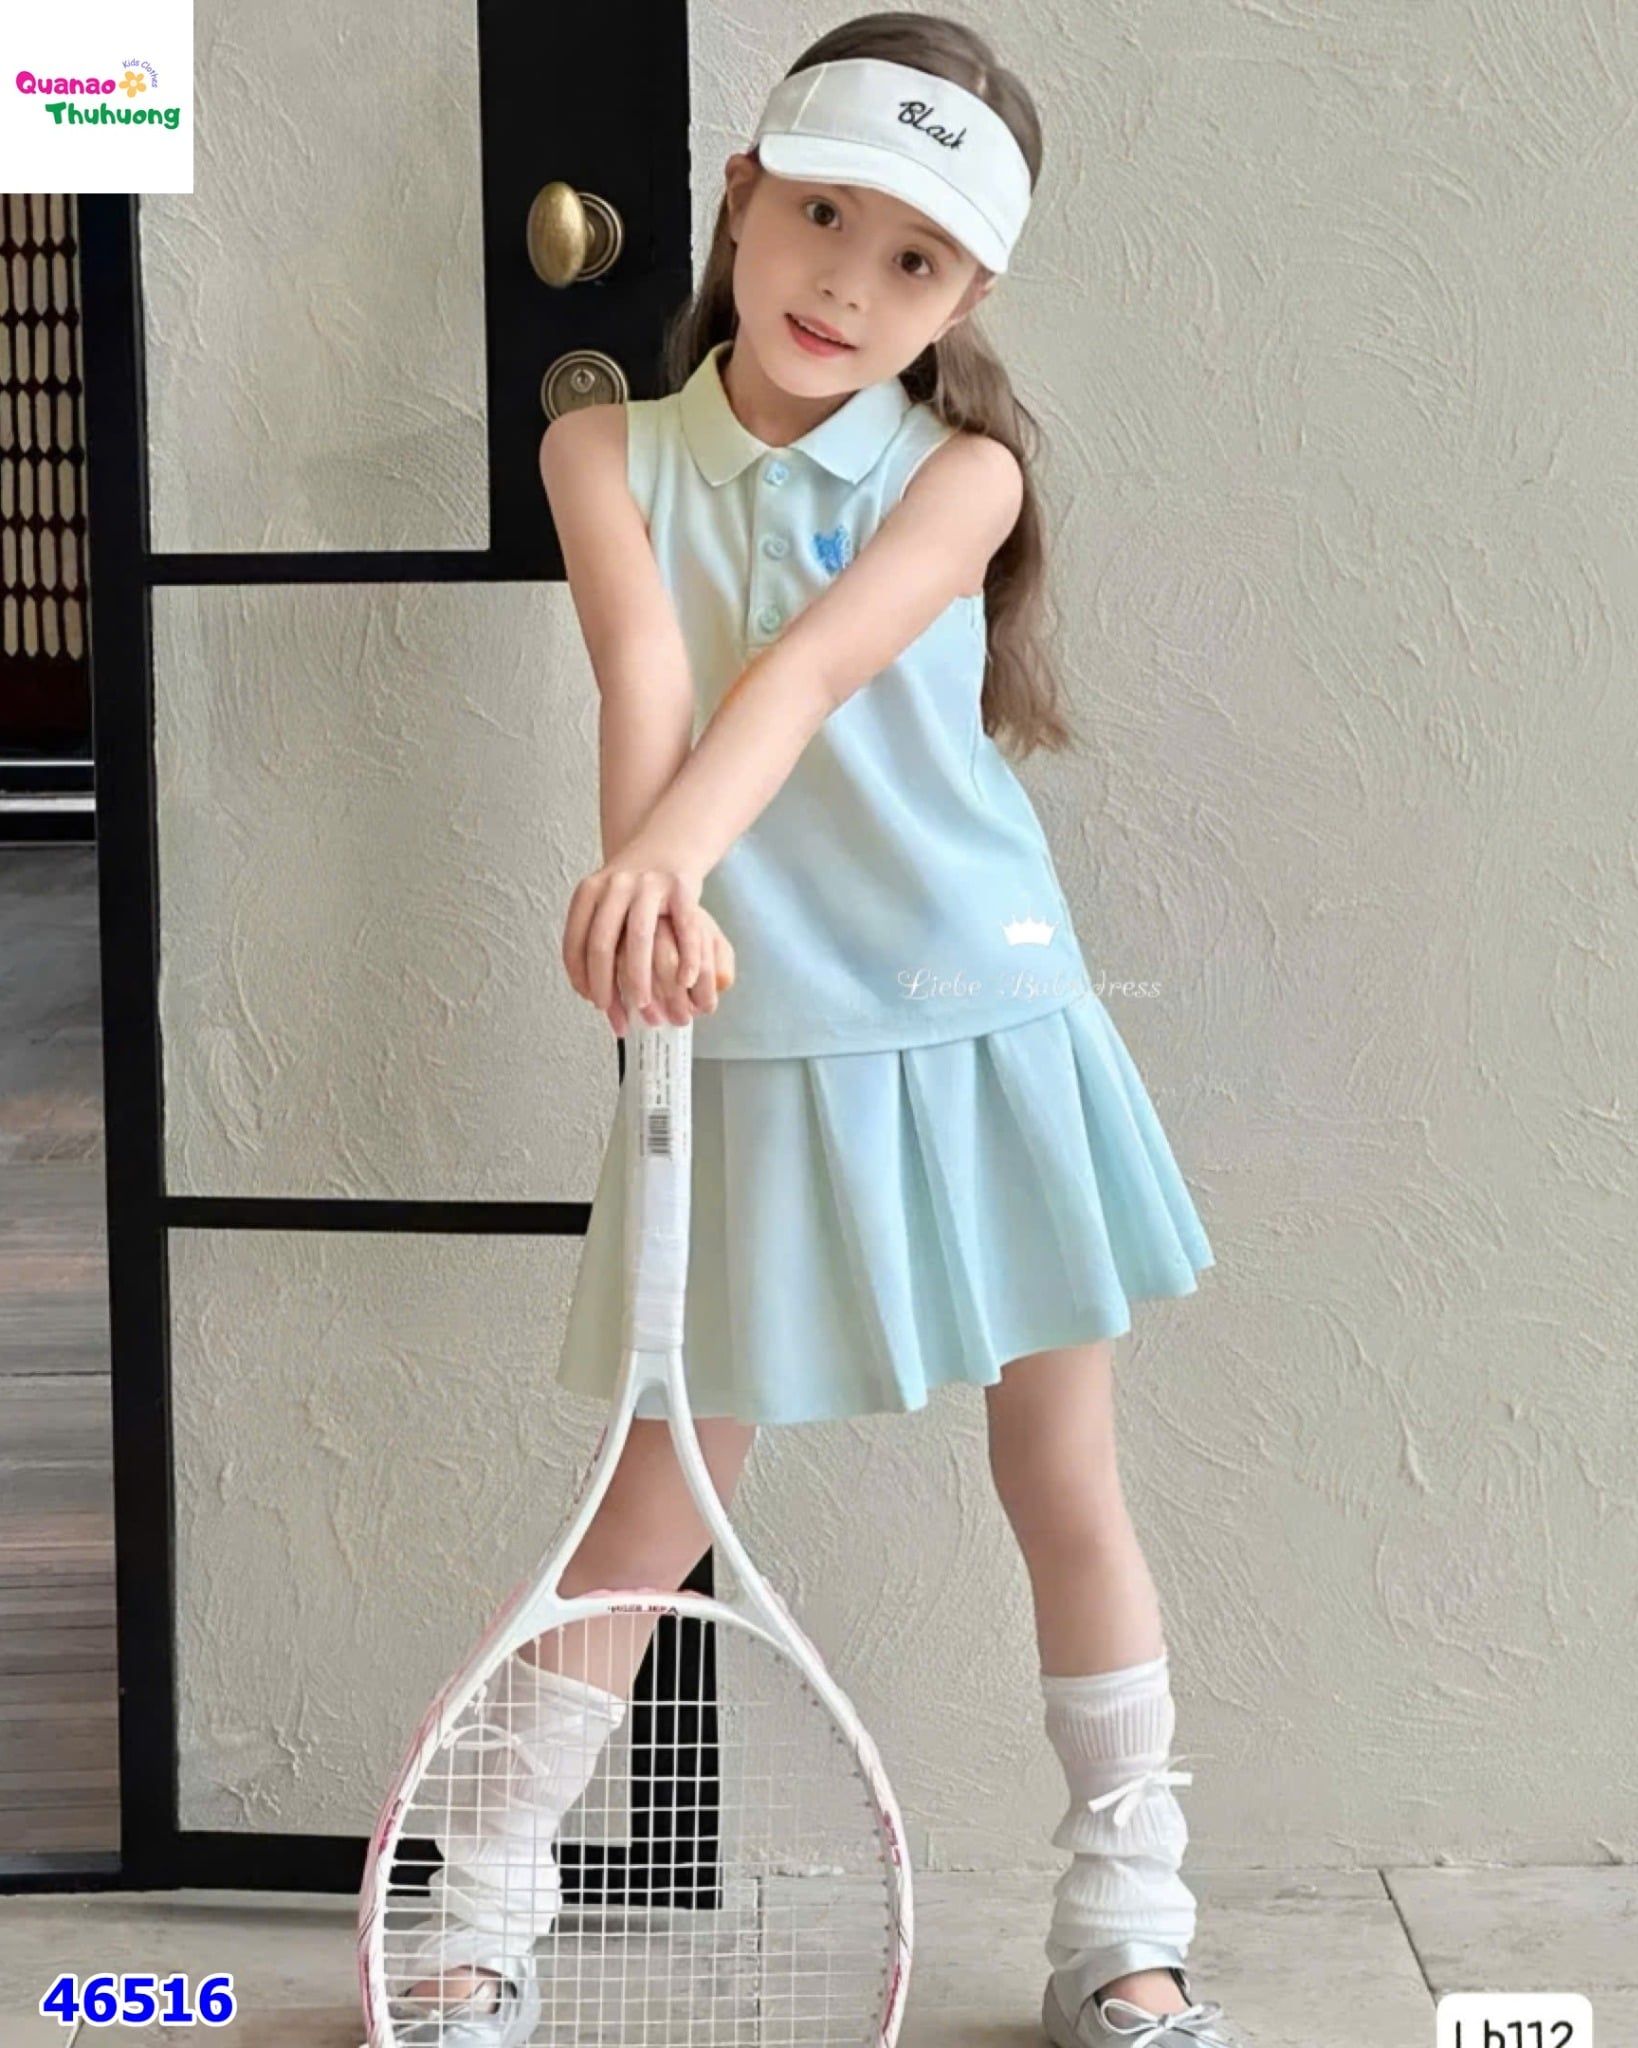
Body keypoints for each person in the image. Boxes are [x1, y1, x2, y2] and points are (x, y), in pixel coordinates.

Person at [397, 15, 1245, 2047]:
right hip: (746, 1047)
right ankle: (472, 1926)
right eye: (823, 216)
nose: (847, 282)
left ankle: (1127, 1929)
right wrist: (651, 904)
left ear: (969, 295)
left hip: (986, 1021)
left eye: (912, 258)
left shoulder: (965, 475)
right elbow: (650, 676)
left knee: (1063, 1480)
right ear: (741, 196)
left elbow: (796, 681)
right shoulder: (599, 450)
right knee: (649, 1507)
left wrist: (660, 863)